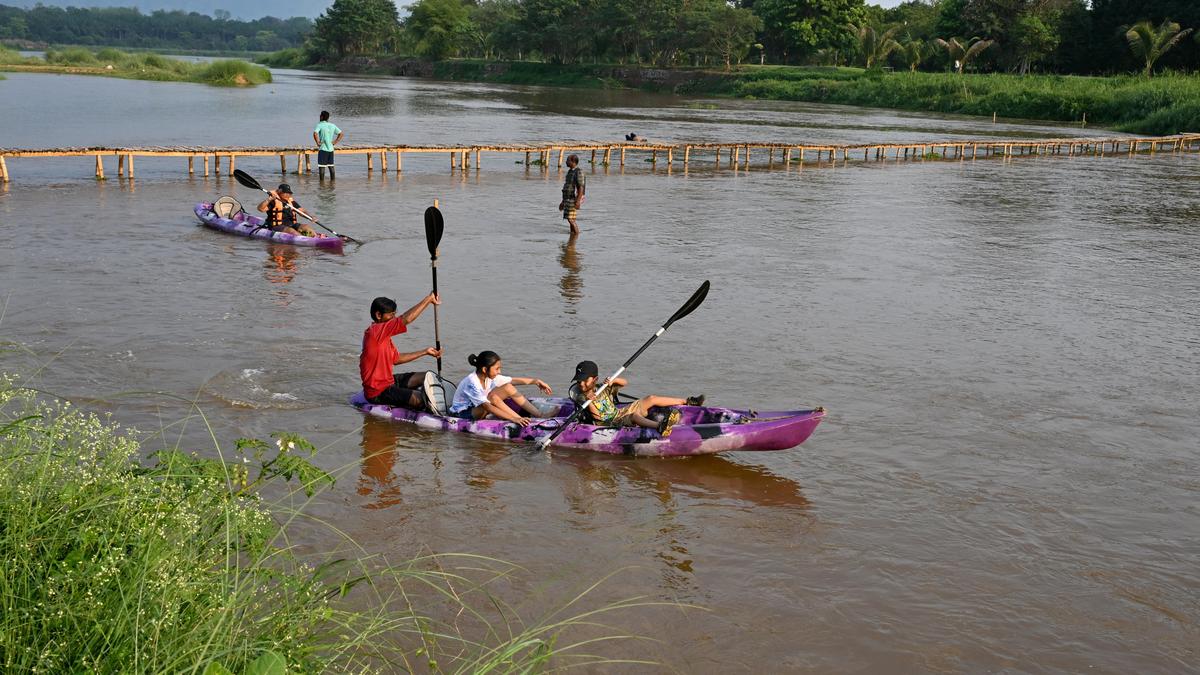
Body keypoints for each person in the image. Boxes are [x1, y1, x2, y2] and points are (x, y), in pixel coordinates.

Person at [567, 360, 704, 437]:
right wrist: (589, 400)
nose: (582, 384)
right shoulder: (582, 396)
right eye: (579, 381)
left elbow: (624, 383)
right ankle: (660, 427)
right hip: (608, 423)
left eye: (585, 380)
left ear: (595, 379)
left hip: (618, 413)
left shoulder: (601, 387)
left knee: (651, 398)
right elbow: (597, 416)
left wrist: (613, 380)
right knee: (634, 416)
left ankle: (687, 401)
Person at [360, 294, 442, 411]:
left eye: (394, 314)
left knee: (428, 377)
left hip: (389, 381)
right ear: (378, 315)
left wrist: (425, 352)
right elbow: (406, 319)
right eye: (391, 315)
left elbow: (396, 359)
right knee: (420, 399)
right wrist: (428, 299)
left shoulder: (384, 337)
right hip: (377, 391)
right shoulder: (374, 332)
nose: (394, 318)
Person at [448, 351, 553, 426]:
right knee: (493, 397)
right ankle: (521, 420)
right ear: (485, 369)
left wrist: (536, 381)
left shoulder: (488, 376)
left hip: (477, 408)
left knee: (507, 387)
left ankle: (540, 415)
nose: (499, 372)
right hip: (462, 414)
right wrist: (514, 418)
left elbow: (512, 380)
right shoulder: (472, 382)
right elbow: (487, 406)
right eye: (497, 369)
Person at [558, 154, 585, 235]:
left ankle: (576, 235)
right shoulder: (570, 171)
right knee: (570, 219)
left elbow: (581, 187)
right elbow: (567, 187)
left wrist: (578, 201)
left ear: (573, 162)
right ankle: (572, 236)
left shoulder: (578, 172)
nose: (566, 162)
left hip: (573, 198)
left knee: (571, 219)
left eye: (567, 160)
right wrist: (563, 201)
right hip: (567, 198)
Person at [313, 110, 343, 180]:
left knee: (322, 167)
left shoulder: (319, 125)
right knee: (331, 166)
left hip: (323, 149)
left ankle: (321, 183)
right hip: (331, 149)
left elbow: (315, 133)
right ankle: (333, 182)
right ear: (328, 118)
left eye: (320, 115)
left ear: (321, 117)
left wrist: (317, 142)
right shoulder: (332, 125)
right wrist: (335, 142)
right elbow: (341, 134)